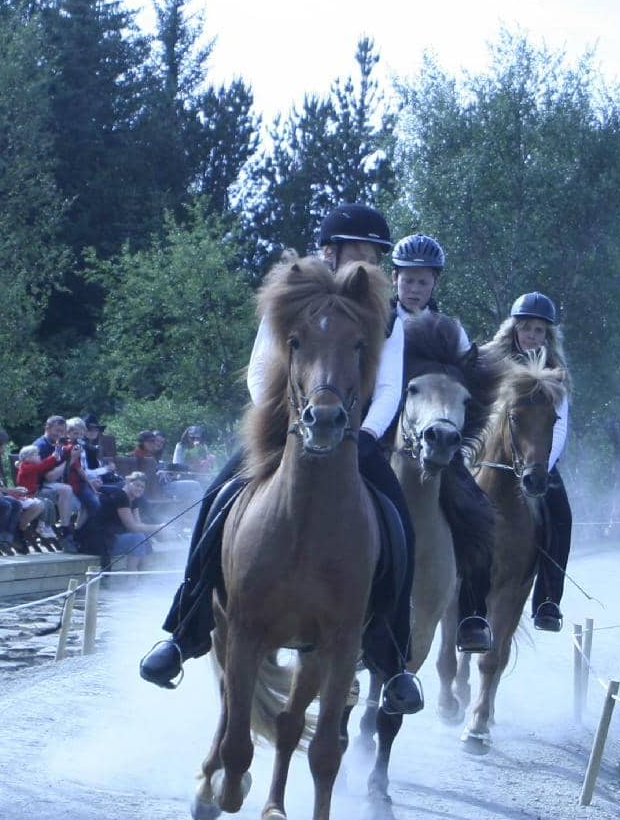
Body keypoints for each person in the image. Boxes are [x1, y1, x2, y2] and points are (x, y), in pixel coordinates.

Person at [139, 202, 425, 716]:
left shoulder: (385, 316)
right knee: (217, 498)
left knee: (400, 522)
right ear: (331, 251)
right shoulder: (292, 297)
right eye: (361, 251)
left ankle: (393, 655)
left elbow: (389, 386)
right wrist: (285, 416)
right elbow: (258, 369)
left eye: (376, 254)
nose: (369, 262)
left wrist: (364, 433)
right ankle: (184, 628)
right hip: (285, 427)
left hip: (353, 435)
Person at [392, 232, 495, 652]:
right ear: (395, 279)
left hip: (436, 433)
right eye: (408, 279)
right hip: (381, 429)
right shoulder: (380, 322)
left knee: (478, 511)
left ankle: (471, 616)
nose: (415, 288)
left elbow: (471, 381)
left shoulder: (452, 330)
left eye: (423, 281)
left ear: (435, 283)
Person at [483, 292, 574, 632]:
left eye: (539, 330)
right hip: (489, 455)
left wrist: (541, 466)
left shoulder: (555, 374)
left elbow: (559, 425)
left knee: (561, 515)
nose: (532, 336)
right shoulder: (491, 362)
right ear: (514, 329)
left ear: (547, 335)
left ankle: (548, 600)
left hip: (537, 459)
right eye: (526, 328)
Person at [81, 472, 157, 570]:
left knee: (144, 537)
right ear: (127, 482)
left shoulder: (134, 499)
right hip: (97, 542)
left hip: (110, 538)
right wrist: (157, 528)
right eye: (136, 485)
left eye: (142, 487)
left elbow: (138, 525)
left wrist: (153, 530)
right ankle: (132, 576)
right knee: (138, 538)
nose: (139, 489)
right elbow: (132, 526)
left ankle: (144, 574)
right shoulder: (120, 496)